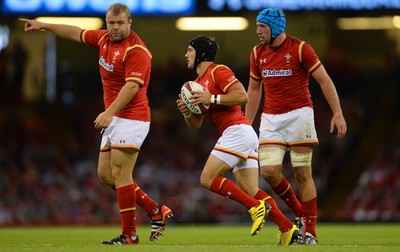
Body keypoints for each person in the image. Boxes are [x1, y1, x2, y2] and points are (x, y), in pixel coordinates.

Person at [19, 3, 173, 245]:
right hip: (115, 118)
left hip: (132, 117)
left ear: (129, 23)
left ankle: (130, 235)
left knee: (122, 175)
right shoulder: (103, 39)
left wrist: (109, 112)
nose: (115, 28)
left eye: (120, 23)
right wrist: (43, 26)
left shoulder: (137, 51)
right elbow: (74, 32)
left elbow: (132, 86)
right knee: (105, 175)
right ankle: (155, 211)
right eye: (111, 23)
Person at [176, 35, 303, 245]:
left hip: (237, 131)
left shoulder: (218, 71)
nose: (186, 55)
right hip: (241, 134)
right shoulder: (196, 83)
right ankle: (289, 230)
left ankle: (254, 208)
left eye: (189, 50)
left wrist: (212, 98)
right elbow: (196, 124)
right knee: (251, 189)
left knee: (207, 178)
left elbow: (242, 95)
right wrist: (187, 112)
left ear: (200, 53)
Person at [245, 8, 347, 244]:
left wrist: (338, 113)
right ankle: (299, 212)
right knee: (269, 173)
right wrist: (246, 123)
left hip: (299, 116)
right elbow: (254, 89)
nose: (258, 31)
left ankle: (310, 230)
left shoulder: (301, 48)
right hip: (271, 119)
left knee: (302, 173)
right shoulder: (256, 53)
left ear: (275, 27)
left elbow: (324, 80)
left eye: (262, 26)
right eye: (258, 26)